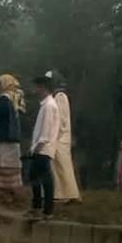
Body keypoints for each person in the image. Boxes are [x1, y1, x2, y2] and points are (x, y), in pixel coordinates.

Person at [44, 70, 81, 203]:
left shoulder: (60, 96)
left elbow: (61, 119)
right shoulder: (54, 96)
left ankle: (70, 194)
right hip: (56, 137)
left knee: (63, 166)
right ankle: (60, 194)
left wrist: (54, 134)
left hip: (60, 137)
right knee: (56, 167)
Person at [0, 74, 26, 204]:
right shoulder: (17, 96)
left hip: (4, 136)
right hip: (14, 136)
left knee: (3, 163)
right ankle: (14, 190)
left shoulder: (4, 98)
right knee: (13, 163)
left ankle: (4, 191)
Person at [27, 76, 60, 220]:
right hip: (42, 147)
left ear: (43, 88)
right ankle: (40, 207)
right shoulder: (46, 105)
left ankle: (44, 209)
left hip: (43, 148)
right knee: (38, 177)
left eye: (36, 87)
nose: (35, 90)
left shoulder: (49, 106)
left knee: (42, 178)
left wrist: (37, 148)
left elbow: (45, 132)